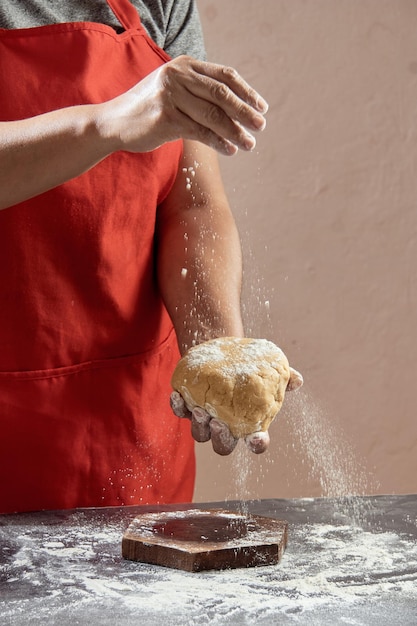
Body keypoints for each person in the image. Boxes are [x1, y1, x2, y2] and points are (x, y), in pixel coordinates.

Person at [0, 0, 301, 515]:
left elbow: (194, 203)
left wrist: (216, 349)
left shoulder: (161, 4)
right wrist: (105, 124)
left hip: (128, 432)